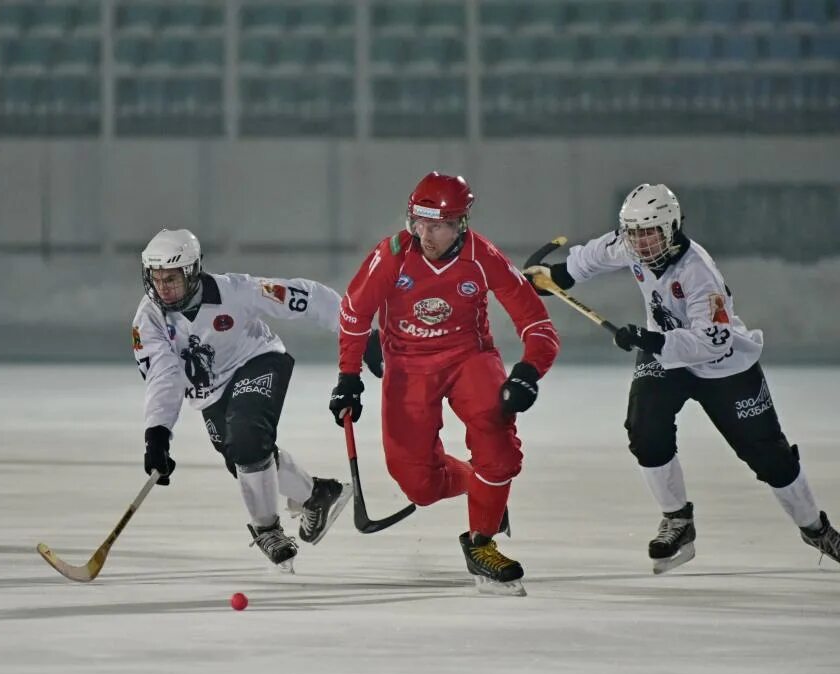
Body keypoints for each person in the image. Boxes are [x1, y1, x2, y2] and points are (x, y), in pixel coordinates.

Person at [523, 183, 840, 573]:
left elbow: (713, 340)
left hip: (723, 365)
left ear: (671, 229)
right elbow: (592, 256)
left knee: (769, 456)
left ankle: (815, 528)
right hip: (665, 356)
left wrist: (651, 338)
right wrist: (555, 275)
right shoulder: (631, 243)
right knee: (644, 430)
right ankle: (677, 520)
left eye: (649, 233)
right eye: (633, 233)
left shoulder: (698, 273)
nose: (640, 243)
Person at [329, 172, 560, 595]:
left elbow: (537, 324)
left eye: (435, 225)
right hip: (407, 368)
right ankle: (481, 486)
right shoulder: (391, 255)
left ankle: (482, 542)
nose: (423, 233)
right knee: (420, 486)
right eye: (418, 222)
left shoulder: (482, 256)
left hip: (468, 358)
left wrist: (528, 372)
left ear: (460, 225)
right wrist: (348, 376)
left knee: (499, 446)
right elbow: (353, 313)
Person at [132, 228, 380, 572]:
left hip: (258, 361)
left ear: (193, 271)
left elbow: (307, 297)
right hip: (211, 393)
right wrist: (157, 433)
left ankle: (267, 530)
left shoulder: (236, 291)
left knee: (247, 437)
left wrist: (360, 334)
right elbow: (164, 375)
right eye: (156, 278)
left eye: (172, 278)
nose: (163, 287)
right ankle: (318, 494)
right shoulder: (149, 319)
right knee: (244, 460)